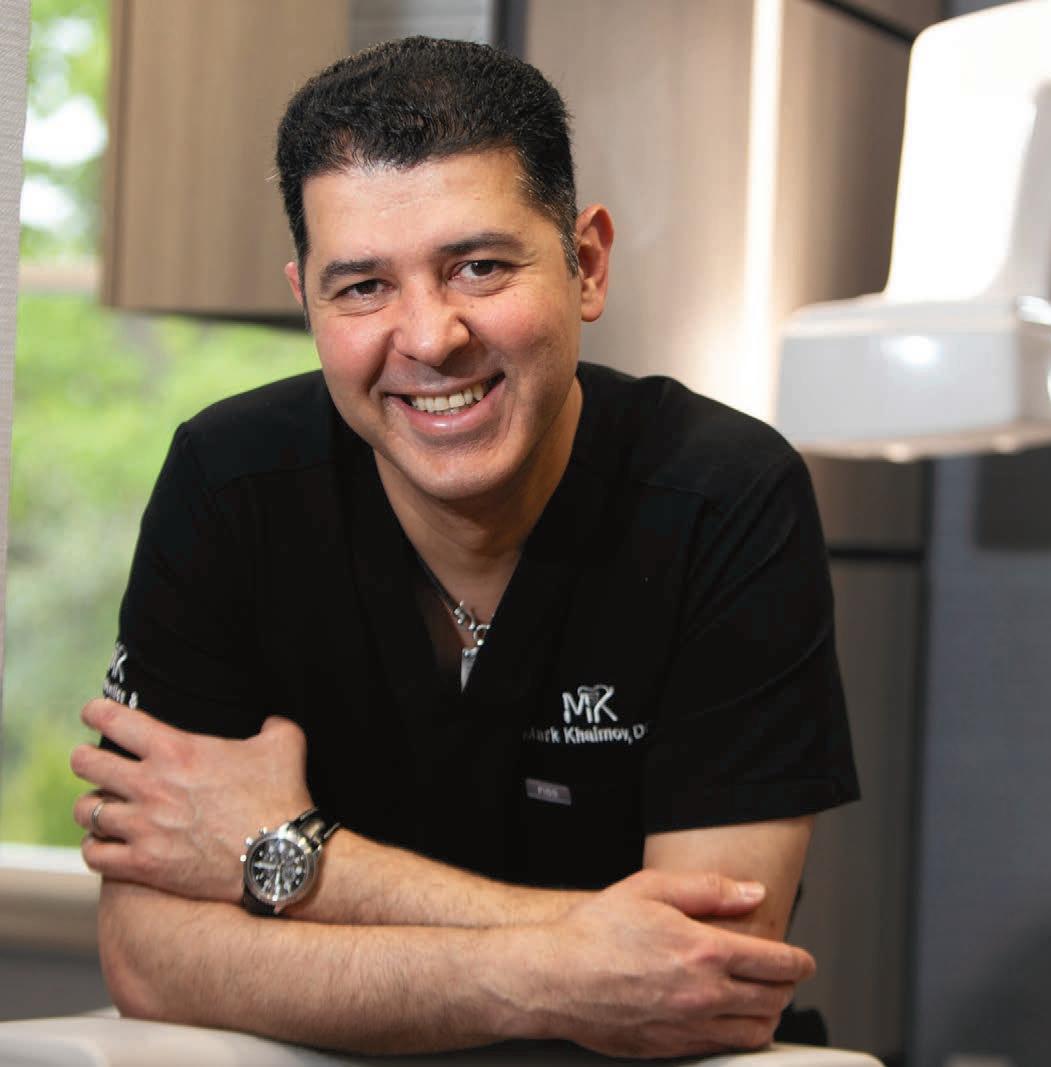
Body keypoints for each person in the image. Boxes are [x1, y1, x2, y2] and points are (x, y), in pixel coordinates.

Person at [69, 36, 857, 1059]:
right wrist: (556, 966)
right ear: (306, 298)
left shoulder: (725, 494)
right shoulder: (229, 484)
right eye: (362, 287)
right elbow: (148, 957)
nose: (430, 336)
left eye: (478, 267)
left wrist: (298, 856)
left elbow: (712, 970)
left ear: (585, 263)